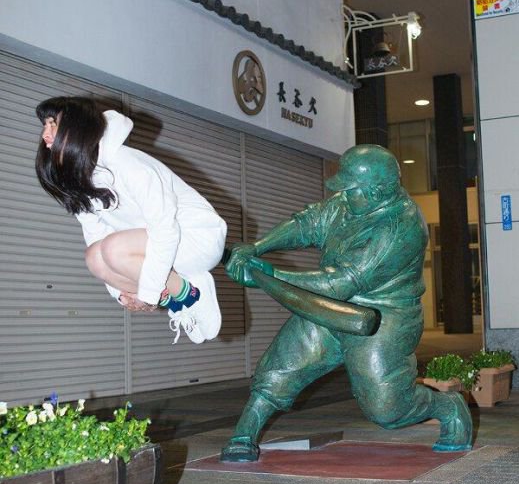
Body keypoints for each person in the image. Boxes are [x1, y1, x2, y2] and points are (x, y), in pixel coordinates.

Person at [221, 144, 472, 461]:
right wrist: (257, 248)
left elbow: (340, 282)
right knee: (281, 367)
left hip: (382, 316)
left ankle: (447, 406)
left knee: (387, 409)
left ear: (377, 192)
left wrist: (268, 277)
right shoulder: (347, 203)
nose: (343, 194)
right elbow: (308, 224)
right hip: (328, 307)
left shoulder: (400, 227)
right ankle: (244, 435)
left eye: (351, 189)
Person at [35, 96, 227, 344]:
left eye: (53, 124)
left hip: (197, 237)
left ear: (78, 128)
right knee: (94, 257)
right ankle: (175, 299)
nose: (45, 134)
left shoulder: (126, 163)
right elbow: (95, 237)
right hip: (157, 248)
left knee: (112, 249)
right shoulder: (81, 182)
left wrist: (148, 293)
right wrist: (123, 294)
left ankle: (192, 293)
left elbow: (165, 230)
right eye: (45, 125)